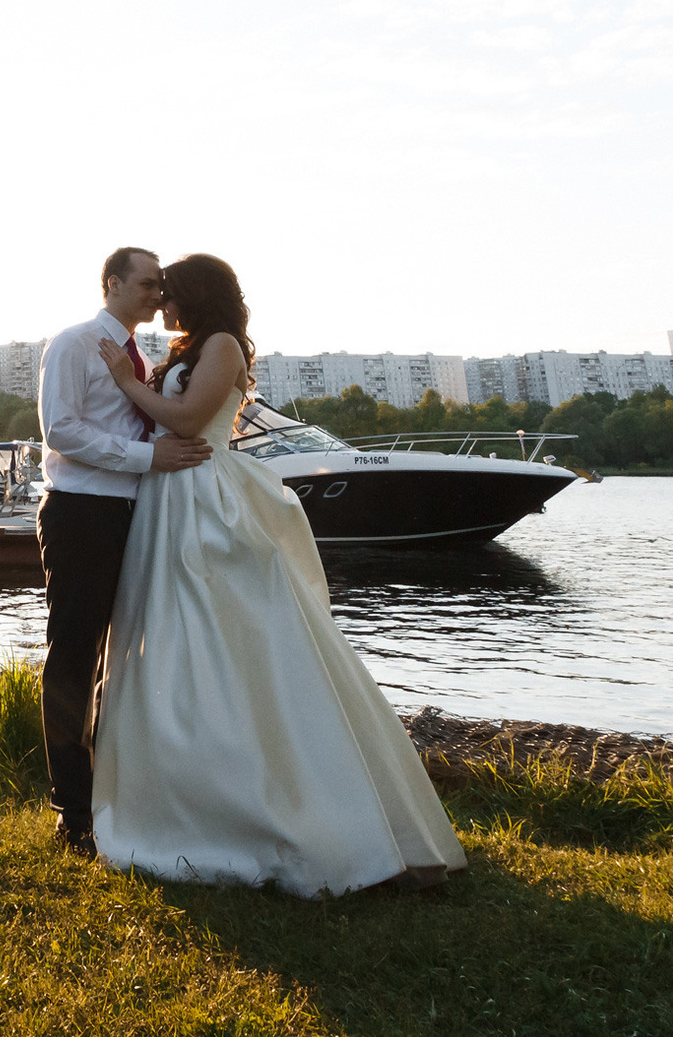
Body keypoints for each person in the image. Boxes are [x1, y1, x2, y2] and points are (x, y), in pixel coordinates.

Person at [90, 253, 466, 894]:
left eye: (170, 294)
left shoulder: (223, 347)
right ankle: (183, 787)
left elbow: (185, 419)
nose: (162, 305)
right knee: (172, 638)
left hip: (204, 500)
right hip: (169, 500)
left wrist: (127, 382)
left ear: (197, 296)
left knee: (230, 638)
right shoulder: (189, 347)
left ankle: (294, 811)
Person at [36, 247, 215, 853]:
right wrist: (147, 458)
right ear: (111, 283)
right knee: (75, 652)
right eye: (146, 282)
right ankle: (73, 808)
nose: (157, 293)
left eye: (161, 285)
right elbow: (59, 429)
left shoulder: (143, 356)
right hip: (83, 513)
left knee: (131, 651)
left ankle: (125, 787)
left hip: (136, 515)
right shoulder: (74, 344)